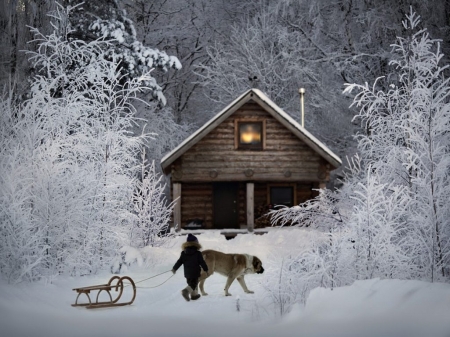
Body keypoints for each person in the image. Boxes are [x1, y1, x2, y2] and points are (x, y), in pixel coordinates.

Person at [172, 233, 209, 301]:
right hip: (195, 272)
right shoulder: (198, 253)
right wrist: (206, 269)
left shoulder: (183, 253)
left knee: (190, 284)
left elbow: (179, 261)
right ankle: (185, 291)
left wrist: (174, 268)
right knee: (193, 284)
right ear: (196, 243)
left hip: (187, 273)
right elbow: (202, 262)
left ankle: (194, 296)